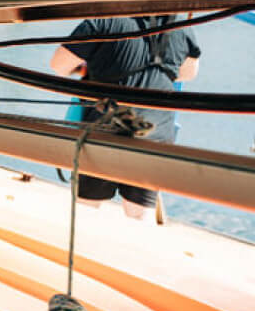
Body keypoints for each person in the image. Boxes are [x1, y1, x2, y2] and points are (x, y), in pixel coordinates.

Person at [49, 15, 200, 221]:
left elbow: (58, 65)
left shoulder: (103, 21)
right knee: (139, 213)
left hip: (104, 128)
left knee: (88, 205)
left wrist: (89, 67)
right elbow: (188, 73)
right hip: (155, 131)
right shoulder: (183, 28)